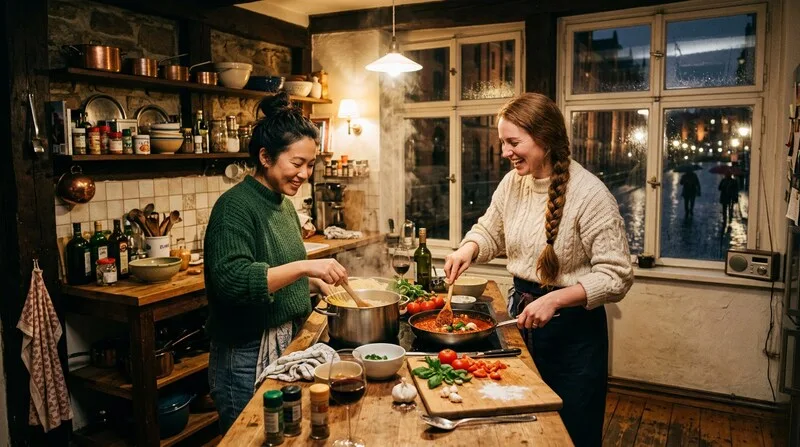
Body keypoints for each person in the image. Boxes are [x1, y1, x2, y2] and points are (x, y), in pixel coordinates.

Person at [444, 93, 633, 447]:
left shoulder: (590, 194)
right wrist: (468, 248)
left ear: (544, 139)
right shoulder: (513, 183)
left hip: (575, 334)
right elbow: (490, 229)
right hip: (522, 325)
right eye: (502, 142)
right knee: (521, 424)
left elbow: (616, 275)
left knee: (571, 432)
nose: (505, 152)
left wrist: (557, 300)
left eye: (513, 142)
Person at [204, 92, 349, 432]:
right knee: (251, 439)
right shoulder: (233, 208)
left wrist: (311, 282)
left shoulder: (282, 203)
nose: (305, 174)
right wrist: (306, 267)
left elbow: (274, 267)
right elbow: (232, 282)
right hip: (244, 357)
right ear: (266, 157)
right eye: (297, 164)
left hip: (285, 344)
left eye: (310, 165)